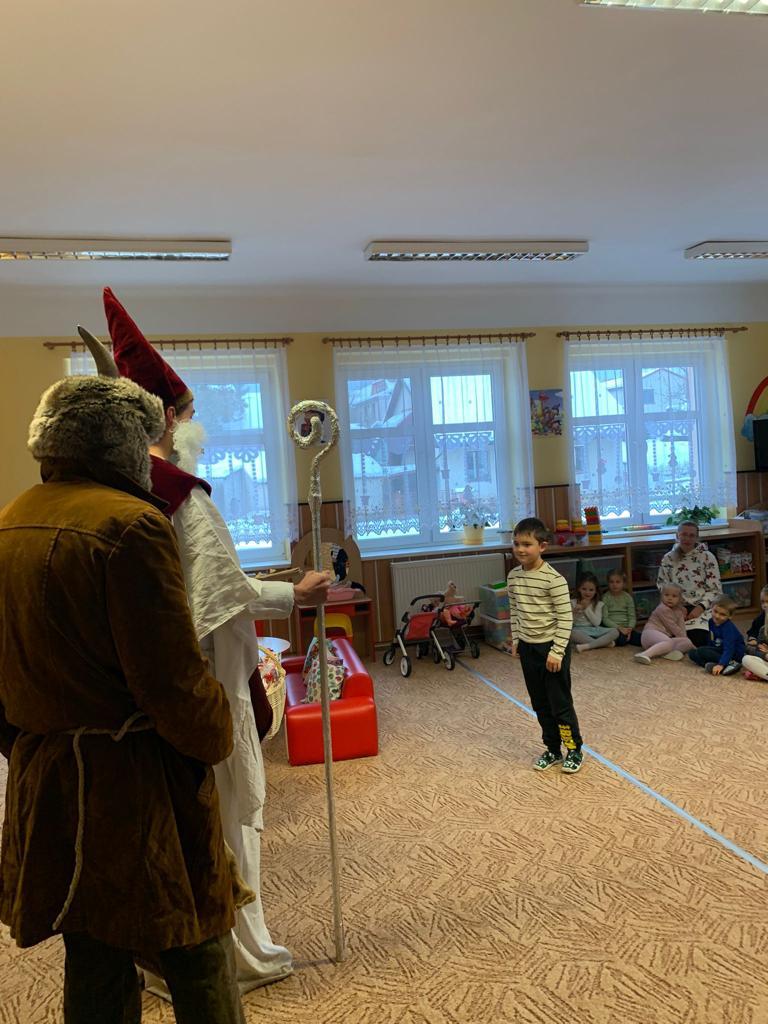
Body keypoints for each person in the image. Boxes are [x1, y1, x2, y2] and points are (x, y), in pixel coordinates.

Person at [97, 287, 331, 995]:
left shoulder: (112, 486)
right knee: (232, 819)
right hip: (206, 685)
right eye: (189, 410)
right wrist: (296, 593)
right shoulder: (180, 493)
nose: (194, 423)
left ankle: (174, 958)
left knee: (171, 826)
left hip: (141, 690)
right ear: (167, 416)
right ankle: (237, 956)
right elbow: (220, 595)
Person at [0, 373, 245, 1023]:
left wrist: (37, 745)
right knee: (197, 952)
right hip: (139, 789)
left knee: (94, 952)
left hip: (51, 781)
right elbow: (174, 685)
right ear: (124, 445)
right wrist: (218, 736)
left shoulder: (9, 520)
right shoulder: (131, 526)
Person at [506, 517, 584, 775]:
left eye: (526, 544)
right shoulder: (513, 577)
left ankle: (573, 750)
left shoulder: (554, 580)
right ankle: (552, 749)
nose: (520, 549)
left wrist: (557, 652)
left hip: (552, 650)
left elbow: (566, 618)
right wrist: (517, 640)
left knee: (559, 703)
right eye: (516, 543)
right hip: (529, 649)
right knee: (540, 703)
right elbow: (515, 611)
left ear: (542, 546)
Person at [656, 520, 722, 647]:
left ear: (697, 538)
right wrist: (677, 606)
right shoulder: (669, 558)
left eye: (691, 535)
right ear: (677, 536)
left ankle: (677, 644)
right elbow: (663, 585)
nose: (687, 539)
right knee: (658, 632)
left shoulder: (707, 557)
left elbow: (715, 590)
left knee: (700, 637)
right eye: (684, 535)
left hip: (701, 606)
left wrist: (700, 607)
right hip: (675, 605)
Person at [633, 583, 694, 665]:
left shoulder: (679, 611)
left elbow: (682, 629)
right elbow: (673, 628)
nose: (670, 598)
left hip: (663, 639)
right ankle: (644, 654)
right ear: (662, 596)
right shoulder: (662, 609)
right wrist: (692, 646)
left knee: (687, 642)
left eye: (674, 596)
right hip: (650, 634)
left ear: (680, 599)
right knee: (668, 643)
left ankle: (664, 653)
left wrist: (689, 643)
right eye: (666, 595)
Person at [687, 594, 745, 676]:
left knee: (701, 651)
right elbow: (711, 638)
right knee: (692, 653)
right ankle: (714, 666)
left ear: (730, 616)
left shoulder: (728, 629)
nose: (717, 616)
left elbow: (729, 648)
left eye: (722, 614)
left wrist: (721, 664)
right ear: (711, 608)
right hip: (720, 649)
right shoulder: (711, 621)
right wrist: (708, 649)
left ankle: (731, 663)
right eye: (715, 611)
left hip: (733, 654)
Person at [570, 572, 619, 653]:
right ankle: (604, 644)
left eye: (591, 590)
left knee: (615, 631)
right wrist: (574, 612)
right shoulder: (573, 602)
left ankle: (587, 646)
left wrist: (586, 608)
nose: (587, 592)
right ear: (579, 589)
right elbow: (570, 623)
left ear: (596, 591)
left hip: (595, 630)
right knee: (571, 633)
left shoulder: (598, 604)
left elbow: (596, 623)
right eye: (584, 589)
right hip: (579, 631)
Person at [601, 570, 642, 647]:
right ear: (608, 583)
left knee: (642, 638)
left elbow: (632, 616)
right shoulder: (605, 598)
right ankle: (614, 641)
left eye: (618, 582)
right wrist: (619, 628)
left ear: (624, 583)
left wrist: (630, 629)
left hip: (627, 628)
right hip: (613, 628)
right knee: (621, 640)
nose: (614, 585)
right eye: (611, 582)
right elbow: (605, 619)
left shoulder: (628, 598)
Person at [742, 585, 768, 681]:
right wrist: (752, 639)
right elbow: (752, 632)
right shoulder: (760, 619)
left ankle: (761, 674)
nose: (765, 605)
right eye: (762, 602)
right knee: (746, 659)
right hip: (764, 655)